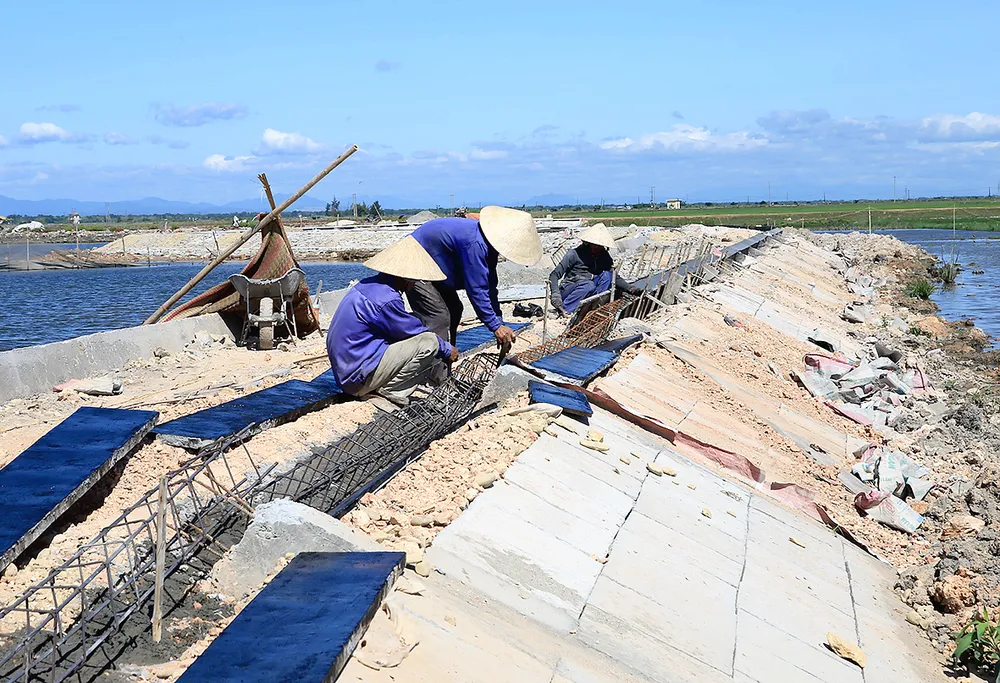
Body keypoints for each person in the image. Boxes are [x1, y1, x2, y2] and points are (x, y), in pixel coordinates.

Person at [326, 236, 458, 406]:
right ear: (406, 278)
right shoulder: (387, 298)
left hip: (347, 371)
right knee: (430, 342)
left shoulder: (368, 285)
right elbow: (413, 332)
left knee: (417, 324)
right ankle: (392, 391)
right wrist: (447, 349)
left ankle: (380, 385)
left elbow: (403, 325)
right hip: (357, 378)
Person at [408, 205, 542, 355]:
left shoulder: (488, 244)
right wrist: (495, 327)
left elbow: (490, 286)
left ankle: (444, 363)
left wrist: (499, 323)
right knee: (439, 317)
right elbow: (477, 290)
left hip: (436, 269)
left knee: (455, 309)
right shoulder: (476, 244)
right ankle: (432, 370)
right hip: (415, 264)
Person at [549, 223, 638, 314]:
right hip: (570, 290)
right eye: (595, 245)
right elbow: (554, 275)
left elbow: (614, 276)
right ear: (588, 243)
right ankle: (565, 310)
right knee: (588, 285)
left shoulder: (604, 256)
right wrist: (555, 294)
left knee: (608, 275)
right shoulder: (574, 254)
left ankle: (595, 306)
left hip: (590, 290)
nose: (597, 248)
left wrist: (630, 288)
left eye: (600, 246)